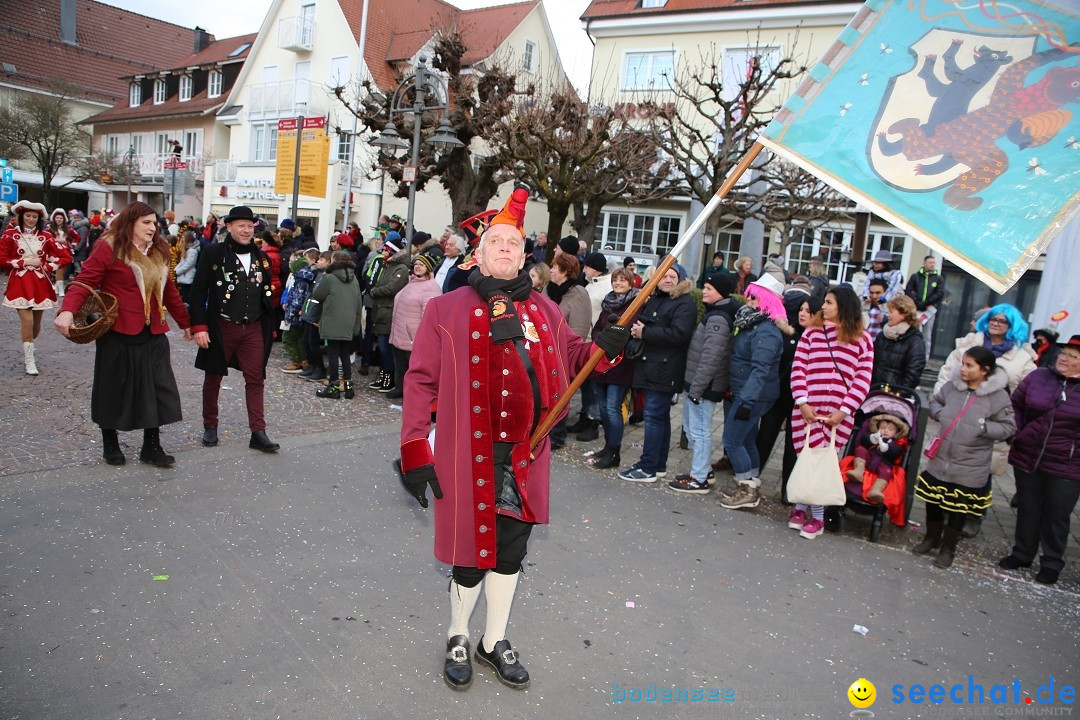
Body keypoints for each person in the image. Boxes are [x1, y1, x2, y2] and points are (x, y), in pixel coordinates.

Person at [397, 187, 629, 691]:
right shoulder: (445, 309)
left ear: (525, 255)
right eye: (495, 241)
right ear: (478, 253)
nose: (505, 248)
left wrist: (604, 347)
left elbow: (573, 357)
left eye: (513, 243)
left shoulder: (545, 311)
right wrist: (415, 449)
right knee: (468, 551)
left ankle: (493, 640)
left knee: (510, 550)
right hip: (466, 453)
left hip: (527, 453)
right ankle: (459, 635)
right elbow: (419, 382)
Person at [54, 201, 192, 467]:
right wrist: (67, 310)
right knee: (112, 388)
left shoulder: (160, 250)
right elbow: (85, 280)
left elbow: (169, 290)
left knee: (157, 389)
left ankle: (151, 446)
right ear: (130, 222)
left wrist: (186, 322)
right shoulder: (109, 246)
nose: (153, 228)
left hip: (153, 330)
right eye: (147, 223)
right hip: (118, 330)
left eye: (155, 223)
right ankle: (110, 444)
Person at [188, 205, 280, 453]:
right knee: (213, 377)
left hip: (253, 327)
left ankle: (258, 432)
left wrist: (270, 325)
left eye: (250, 226)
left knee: (256, 378)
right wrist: (199, 326)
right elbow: (198, 292)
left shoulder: (262, 257)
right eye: (241, 225)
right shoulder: (213, 253)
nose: (246, 230)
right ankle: (210, 426)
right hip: (222, 325)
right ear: (229, 227)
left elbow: (266, 293)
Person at [785, 286, 874, 538]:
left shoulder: (863, 340)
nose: (823, 307)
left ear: (843, 306)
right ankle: (802, 508)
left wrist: (845, 410)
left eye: (829, 303)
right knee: (807, 458)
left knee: (824, 462)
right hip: (808, 410)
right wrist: (802, 401)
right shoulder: (812, 333)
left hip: (837, 416)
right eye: (824, 302)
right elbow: (798, 368)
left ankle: (818, 517)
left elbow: (862, 380)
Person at [914, 347, 1015, 568]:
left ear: (985, 370)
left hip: (970, 463)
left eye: (970, 365)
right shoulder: (953, 386)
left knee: (958, 507)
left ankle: (948, 548)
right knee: (933, 501)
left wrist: (984, 427)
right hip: (941, 458)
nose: (963, 369)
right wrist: (939, 414)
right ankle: (931, 537)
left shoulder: (998, 396)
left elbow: (1008, 427)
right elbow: (936, 401)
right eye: (963, 364)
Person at [998, 335, 1080, 585]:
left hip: (1067, 463)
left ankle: (1052, 563)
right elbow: (1016, 406)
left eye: (1073, 357)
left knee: (1057, 515)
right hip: (1029, 454)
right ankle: (1022, 554)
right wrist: (1017, 433)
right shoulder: (1039, 376)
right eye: (1063, 354)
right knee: (1028, 508)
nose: (1064, 359)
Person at [717, 275, 793, 508]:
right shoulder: (753, 323)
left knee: (732, 441)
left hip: (753, 395)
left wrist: (747, 402)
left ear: (766, 301)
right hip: (747, 392)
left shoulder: (766, 331)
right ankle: (751, 483)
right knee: (748, 439)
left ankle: (747, 489)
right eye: (748, 295)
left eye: (754, 297)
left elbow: (760, 370)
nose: (747, 300)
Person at [618, 264, 697, 482]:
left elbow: (679, 334)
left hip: (665, 368)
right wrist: (638, 330)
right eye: (664, 275)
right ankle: (658, 464)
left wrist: (645, 332)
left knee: (653, 417)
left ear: (680, 279)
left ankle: (648, 467)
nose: (668, 280)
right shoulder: (657, 297)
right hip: (651, 365)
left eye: (673, 276)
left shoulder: (684, 303)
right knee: (659, 417)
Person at [669, 273, 738, 494]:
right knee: (692, 429)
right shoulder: (716, 314)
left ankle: (699, 478)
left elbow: (711, 358)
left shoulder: (718, 318)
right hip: (699, 384)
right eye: (705, 287)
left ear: (720, 292)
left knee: (699, 431)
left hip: (704, 387)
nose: (705, 291)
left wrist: (697, 389)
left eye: (709, 288)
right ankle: (704, 471)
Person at [0, 200, 72, 375]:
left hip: (40, 283)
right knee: (27, 320)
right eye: (28, 216)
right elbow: (2, 259)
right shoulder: (10, 235)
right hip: (19, 282)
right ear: (21, 216)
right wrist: (24, 262)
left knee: (36, 324)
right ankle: (29, 360)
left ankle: (30, 344)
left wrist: (48, 267)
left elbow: (66, 256)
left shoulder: (46, 236)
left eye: (34, 216)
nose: (31, 219)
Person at [588, 267, 640, 470]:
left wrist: (607, 340)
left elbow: (623, 331)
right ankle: (607, 446)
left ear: (630, 283)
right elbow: (599, 328)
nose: (618, 283)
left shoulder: (634, 304)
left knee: (612, 408)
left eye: (622, 280)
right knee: (603, 408)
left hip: (621, 363)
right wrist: (600, 342)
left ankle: (615, 452)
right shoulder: (608, 302)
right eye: (615, 280)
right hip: (602, 363)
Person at [546, 254, 592, 448]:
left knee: (561, 395)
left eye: (554, 267)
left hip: (566, 353)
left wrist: (567, 354)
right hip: (548, 351)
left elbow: (579, 328)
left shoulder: (578, 293)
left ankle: (557, 436)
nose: (551, 270)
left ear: (565, 271)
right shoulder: (552, 292)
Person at [388, 252, 442, 400]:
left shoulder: (431, 288)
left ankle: (412, 396)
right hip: (400, 333)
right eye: (416, 264)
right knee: (400, 366)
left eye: (422, 265)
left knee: (413, 369)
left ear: (428, 268)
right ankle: (400, 388)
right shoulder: (412, 282)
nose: (418, 267)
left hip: (413, 336)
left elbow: (429, 316)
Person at [311, 250, 362, 400]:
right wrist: (356, 326)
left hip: (333, 319)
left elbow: (317, 295)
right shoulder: (355, 279)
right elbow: (358, 303)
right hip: (349, 320)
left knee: (333, 352)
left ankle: (333, 385)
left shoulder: (330, 278)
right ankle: (348, 387)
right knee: (345, 353)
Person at [367, 233, 411, 394]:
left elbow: (392, 288)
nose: (383, 251)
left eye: (386, 249)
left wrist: (375, 291)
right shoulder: (387, 265)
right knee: (381, 345)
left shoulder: (401, 268)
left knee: (386, 347)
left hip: (389, 310)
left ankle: (389, 377)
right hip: (381, 309)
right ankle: (383, 374)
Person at [846, 414, 910, 503]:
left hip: (883, 463)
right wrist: (871, 438)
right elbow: (863, 440)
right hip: (868, 460)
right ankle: (858, 471)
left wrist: (887, 448)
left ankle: (876, 490)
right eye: (883, 428)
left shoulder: (895, 443)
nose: (886, 431)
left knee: (887, 471)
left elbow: (896, 452)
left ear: (896, 432)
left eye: (890, 429)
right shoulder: (874, 436)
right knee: (860, 449)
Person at [871, 293, 926, 389]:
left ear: (904, 314)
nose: (888, 316)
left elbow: (913, 374)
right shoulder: (882, 336)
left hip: (896, 397)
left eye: (891, 312)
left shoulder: (914, 341)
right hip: (874, 392)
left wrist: (899, 393)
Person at [905, 255, 945, 360]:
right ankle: (910, 356)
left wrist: (927, 302)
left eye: (933, 263)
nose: (932, 265)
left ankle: (925, 360)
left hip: (929, 311)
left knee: (927, 336)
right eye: (930, 262)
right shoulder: (915, 277)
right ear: (924, 263)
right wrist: (916, 302)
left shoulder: (938, 278)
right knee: (912, 332)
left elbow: (940, 293)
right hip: (915, 310)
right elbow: (908, 291)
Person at [47, 208, 80, 298]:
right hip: (54, 251)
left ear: (64, 219)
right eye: (57, 217)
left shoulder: (68, 228)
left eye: (61, 218)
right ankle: (61, 288)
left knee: (63, 270)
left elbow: (77, 237)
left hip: (66, 251)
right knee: (59, 268)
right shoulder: (49, 228)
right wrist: (54, 240)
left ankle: (56, 287)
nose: (59, 219)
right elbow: (45, 238)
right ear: (54, 218)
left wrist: (73, 244)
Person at [173, 230, 201, 305]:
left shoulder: (192, 251)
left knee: (187, 294)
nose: (182, 239)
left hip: (188, 276)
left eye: (183, 238)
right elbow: (182, 262)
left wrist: (179, 271)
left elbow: (189, 264)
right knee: (184, 293)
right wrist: (176, 269)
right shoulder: (186, 249)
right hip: (183, 275)